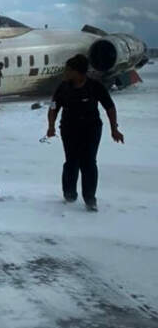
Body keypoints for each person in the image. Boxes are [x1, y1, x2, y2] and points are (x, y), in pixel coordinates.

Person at [46, 54, 124, 212]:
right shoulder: (63, 87)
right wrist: (51, 126)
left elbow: (109, 107)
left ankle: (90, 199)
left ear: (77, 72)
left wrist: (114, 128)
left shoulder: (95, 86)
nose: (65, 73)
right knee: (71, 162)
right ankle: (69, 194)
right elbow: (54, 107)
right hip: (69, 129)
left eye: (68, 70)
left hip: (91, 129)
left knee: (88, 163)